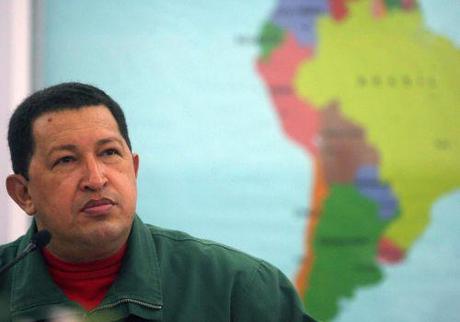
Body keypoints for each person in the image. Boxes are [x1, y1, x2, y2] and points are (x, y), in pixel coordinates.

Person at [0, 82, 316, 321]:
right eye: (66, 160)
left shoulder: (239, 290)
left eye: (109, 153)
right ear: (24, 194)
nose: (96, 179)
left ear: (133, 169)